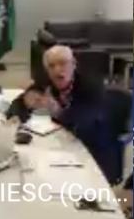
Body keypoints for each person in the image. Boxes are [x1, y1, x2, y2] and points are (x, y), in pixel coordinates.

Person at [7, 45, 118, 182]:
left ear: (73, 64)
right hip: (62, 149)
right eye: (51, 66)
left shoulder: (92, 86)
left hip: (94, 150)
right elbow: (19, 102)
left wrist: (59, 112)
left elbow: (84, 121)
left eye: (62, 63)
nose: (57, 70)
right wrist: (17, 115)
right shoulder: (46, 83)